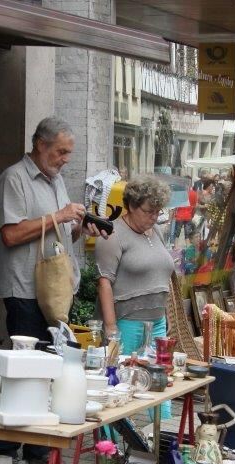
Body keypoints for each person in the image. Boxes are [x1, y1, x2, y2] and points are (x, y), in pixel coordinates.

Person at [0, 116, 100, 464]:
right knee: (24, 368)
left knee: (48, 368)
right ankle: (3, 449)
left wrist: (81, 226)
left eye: (69, 152)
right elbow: (10, 235)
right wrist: (59, 215)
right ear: (40, 144)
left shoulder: (56, 181)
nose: (66, 158)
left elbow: (60, 235)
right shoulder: (15, 179)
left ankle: (36, 449)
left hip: (53, 290)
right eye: (61, 151)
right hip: (24, 287)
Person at [95, 175, 174, 418]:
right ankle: (114, 444)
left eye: (157, 212)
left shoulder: (155, 231)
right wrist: (111, 329)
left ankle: (159, 440)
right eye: (149, 211)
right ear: (131, 205)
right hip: (127, 322)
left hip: (157, 321)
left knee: (160, 385)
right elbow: (104, 282)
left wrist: (167, 315)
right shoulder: (113, 235)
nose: (153, 217)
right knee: (122, 386)